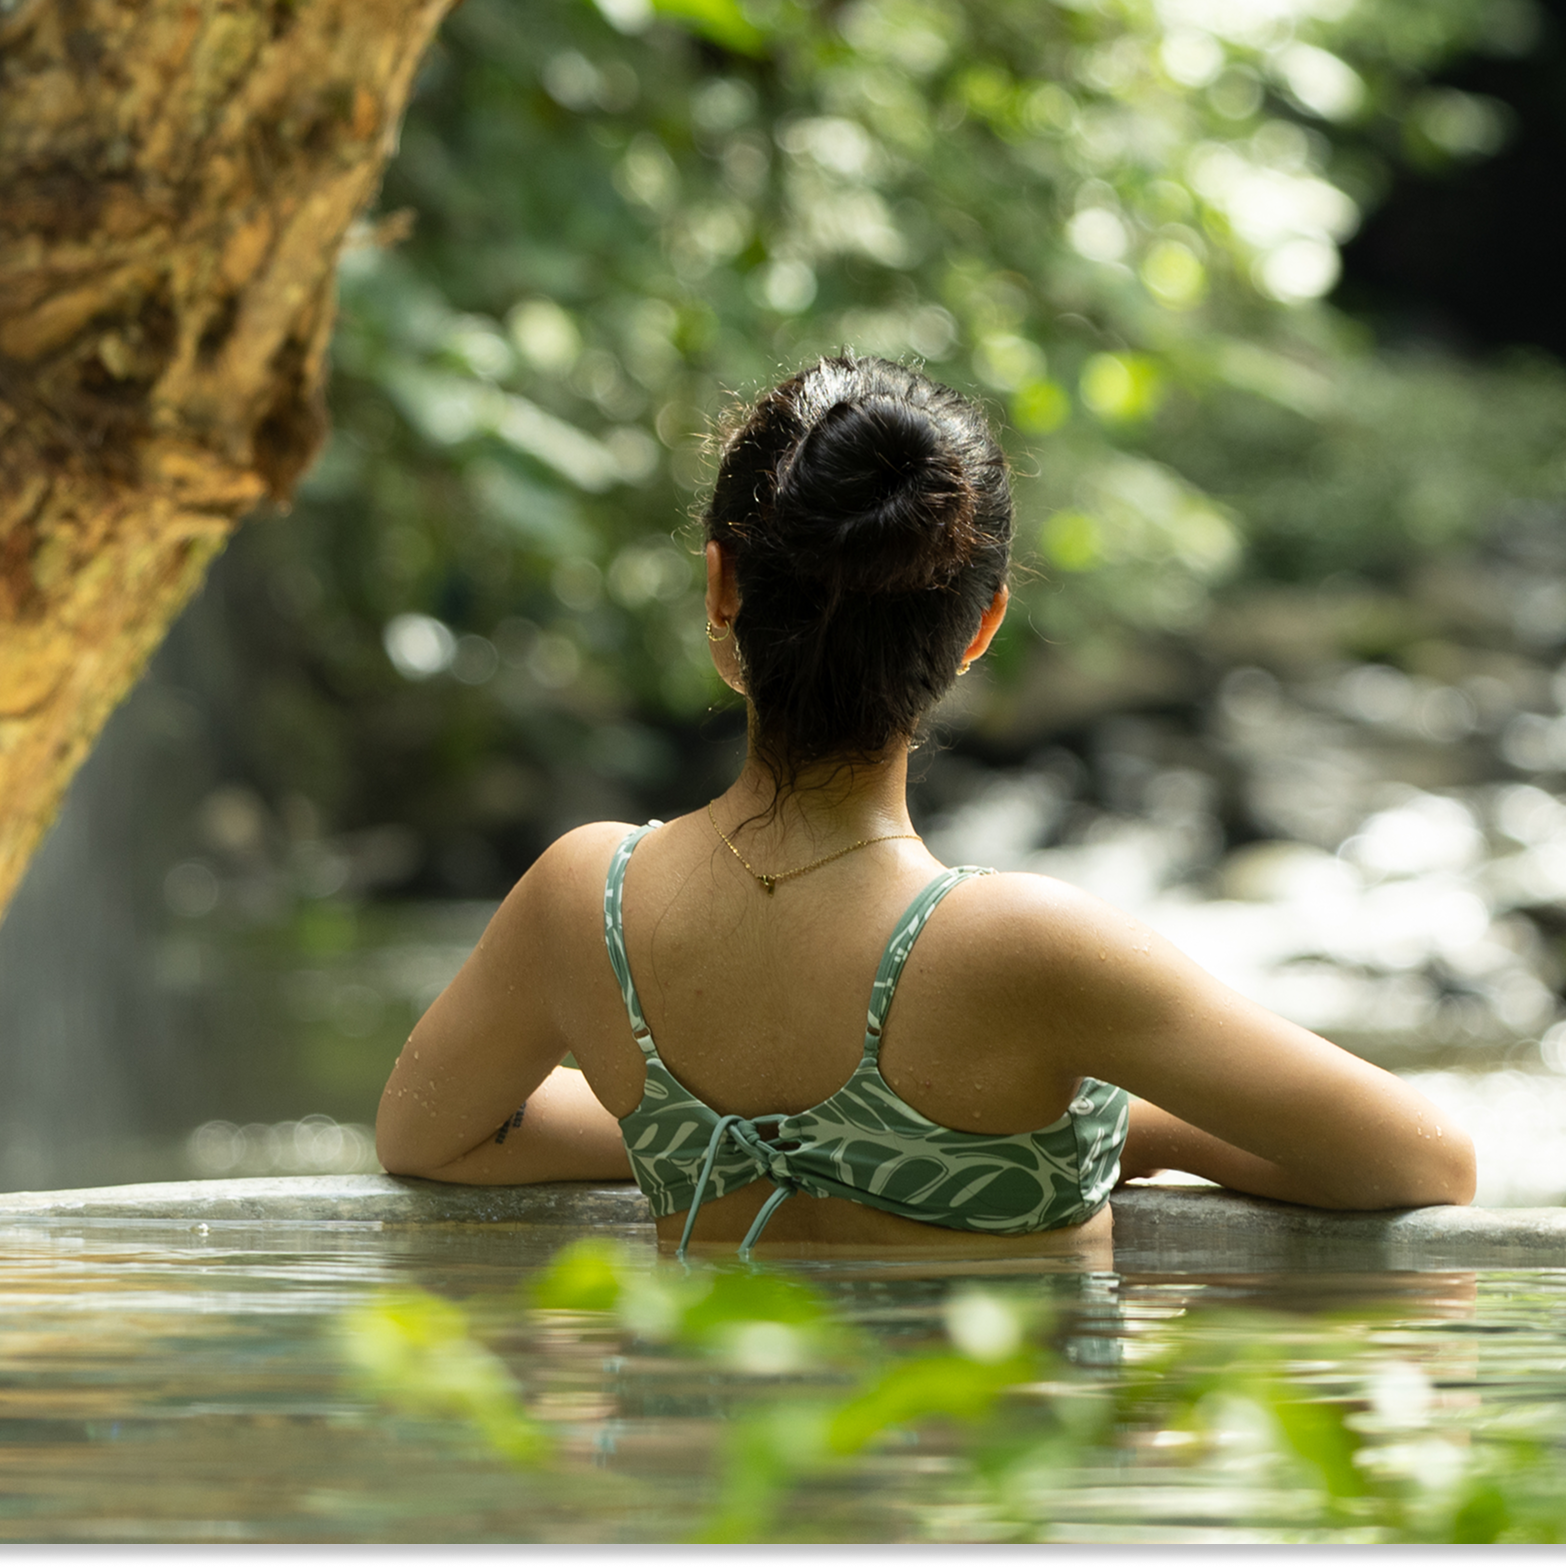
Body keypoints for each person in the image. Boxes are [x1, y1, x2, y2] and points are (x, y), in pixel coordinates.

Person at [377, 355, 1475, 1257]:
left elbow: (432, 1138)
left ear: (720, 587)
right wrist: (1113, 1130)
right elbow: (1423, 1162)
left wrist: (682, 1123)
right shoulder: (1029, 949)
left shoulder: (590, 904)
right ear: (982, 627)